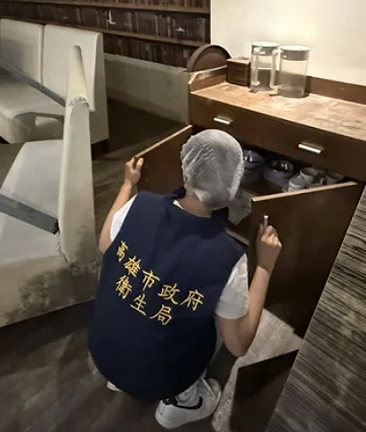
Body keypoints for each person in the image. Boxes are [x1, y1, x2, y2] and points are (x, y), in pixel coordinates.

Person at [89, 130, 282, 429]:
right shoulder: (228, 257)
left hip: (102, 352)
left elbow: (105, 244)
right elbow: (239, 344)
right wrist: (265, 266)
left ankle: (123, 376)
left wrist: (128, 184)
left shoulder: (140, 204)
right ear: (233, 188)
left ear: (185, 173)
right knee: (221, 320)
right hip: (161, 379)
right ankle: (183, 400)